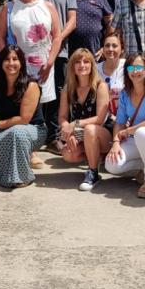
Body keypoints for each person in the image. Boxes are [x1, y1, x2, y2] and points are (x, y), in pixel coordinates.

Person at [0, 0, 62, 146]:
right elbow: (0, 37)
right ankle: (24, 143)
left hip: (44, 63)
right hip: (19, 66)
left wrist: (50, 62)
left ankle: (48, 139)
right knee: (22, 103)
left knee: (46, 104)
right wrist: (8, 59)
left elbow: (57, 36)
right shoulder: (10, 8)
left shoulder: (47, 6)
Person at [103, 53, 145, 199]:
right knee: (111, 164)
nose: (135, 71)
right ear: (126, 70)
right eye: (131, 67)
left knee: (143, 132)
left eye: (139, 67)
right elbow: (119, 122)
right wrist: (116, 143)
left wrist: (128, 131)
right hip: (136, 139)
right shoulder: (125, 94)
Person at [0, 45, 46, 189]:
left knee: (17, 132)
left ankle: (22, 177)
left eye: (15, 59)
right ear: (1, 62)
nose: (11, 63)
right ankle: (7, 168)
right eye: (7, 59)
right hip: (6, 130)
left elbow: (24, 119)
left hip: (34, 130)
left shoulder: (31, 85)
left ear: (21, 62)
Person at [38, 0, 78, 150]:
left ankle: (53, 136)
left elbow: (72, 19)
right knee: (36, 91)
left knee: (58, 92)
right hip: (37, 51)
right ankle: (36, 134)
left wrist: (59, 37)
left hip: (61, 50)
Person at [56, 48, 112, 191]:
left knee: (90, 129)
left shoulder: (100, 86)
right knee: (68, 155)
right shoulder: (68, 89)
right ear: (72, 66)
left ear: (92, 65)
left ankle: (93, 172)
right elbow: (62, 117)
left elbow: (99, 119)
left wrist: (74, 124)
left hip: (102, 134)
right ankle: (96, 157)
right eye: (78, 62)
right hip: (80, 134)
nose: (82, 65)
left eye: (86, 61)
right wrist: (68, 132)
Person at [99, 28, 126, 121]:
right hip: (102, 120)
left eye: (114, 46)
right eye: (107, 46)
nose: (110, 49)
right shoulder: (95, 70)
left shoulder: (128, 67)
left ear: (122, 49)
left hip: (126, 119)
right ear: (102, 49)